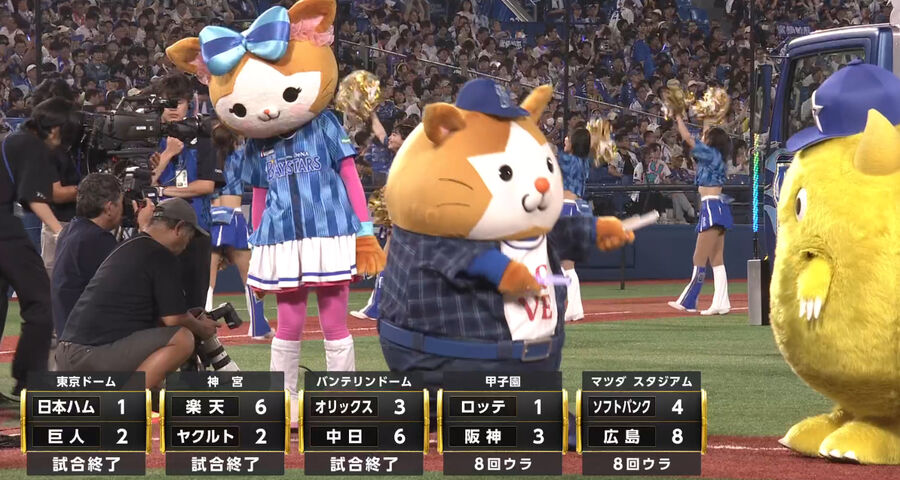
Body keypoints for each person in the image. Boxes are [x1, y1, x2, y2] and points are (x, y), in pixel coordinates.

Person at [56, 198, 218, 390]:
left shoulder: (131, 245)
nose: (186, 245)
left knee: (160, 346)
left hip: (72, 354)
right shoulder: (160, 255)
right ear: (179, 228)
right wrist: (202, 328)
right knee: (182, 339)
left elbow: (160, 318)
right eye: (189, 238)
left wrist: (190, 317)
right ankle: (125, 402)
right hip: (87, 356)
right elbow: (175, 319)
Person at [0, 98, 74, 399]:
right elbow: (34, 197)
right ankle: (29, 380)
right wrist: (60, 231)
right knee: (41, 301)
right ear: (55, 129)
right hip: (3, 228)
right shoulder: (31, 144)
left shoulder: (13, 139)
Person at [51, 173, 154, 337]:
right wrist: (145, 228)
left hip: (70, 334)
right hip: (87, 341)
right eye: (120, 203)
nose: (123, 209)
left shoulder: (71, 230)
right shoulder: (96, 239)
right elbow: (136, 279)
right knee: (177, 336)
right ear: (109, 208)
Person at [150, 73, 216, 310]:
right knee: (160, 299)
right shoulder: (149, 136)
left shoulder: (203, 137)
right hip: (158, 228)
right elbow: (147, 181)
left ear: (188, 103)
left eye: (177, 102)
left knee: (195, 301)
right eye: (167, 102)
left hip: (196, 228)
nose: (172, 108)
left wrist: (162, 191)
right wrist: (168, 153)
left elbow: (206, 185)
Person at [206, 124, 271, 339]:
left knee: (208, 279)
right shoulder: (241, 155)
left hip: (211, 215)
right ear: (234, 140)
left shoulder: (206, 158)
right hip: (233, 216)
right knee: (250, 275)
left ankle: (204, 328)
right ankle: (258, 326)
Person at [668, 114, 733, 315]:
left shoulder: (711, 155)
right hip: (717, 206)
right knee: (716, 258)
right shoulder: (715, 157)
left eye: (706, 136)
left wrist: (679, 118)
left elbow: (688, 138)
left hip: (711, 207)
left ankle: (689, 300)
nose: (702, 138)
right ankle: (721, 302)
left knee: (699, 256)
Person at [557, 127, 593, 322]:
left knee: (565, 263)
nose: (565, 139)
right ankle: (573, 307)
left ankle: (573, 307)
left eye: (568, 138)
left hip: (567, 209)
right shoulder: (583, 161)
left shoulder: (571, 161)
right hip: (575, 208)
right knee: (564, 263)